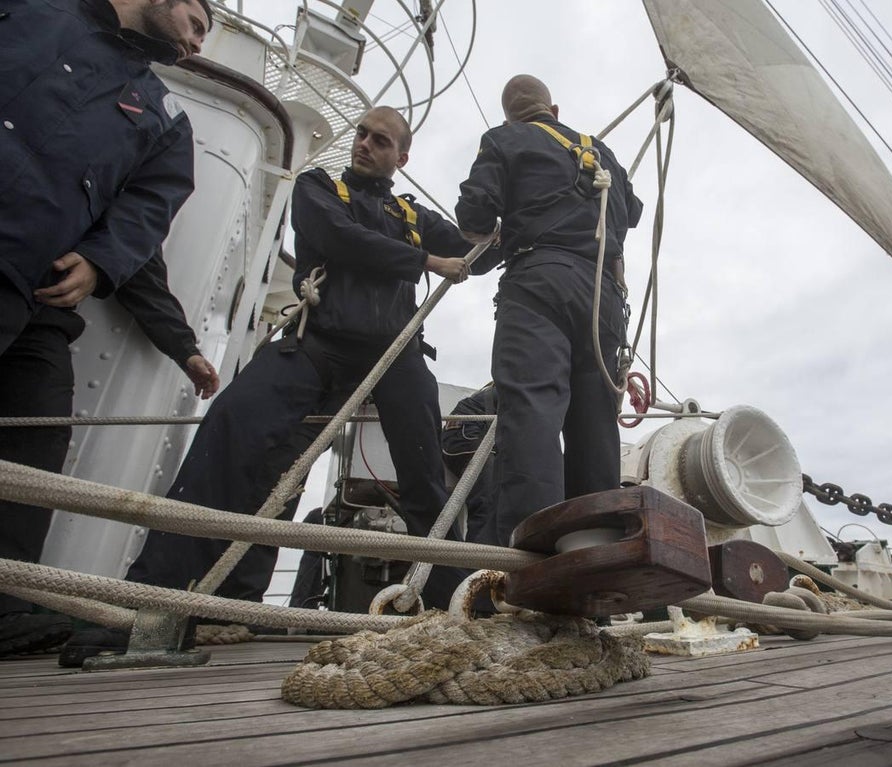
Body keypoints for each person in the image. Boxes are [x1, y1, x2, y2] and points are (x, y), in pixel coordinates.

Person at [61, 106, 473, 665]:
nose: (364, 144)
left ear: (401, 157)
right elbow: (338, 237)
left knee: (425, 479)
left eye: (380, 141)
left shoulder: (413, 214)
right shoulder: (319, 187)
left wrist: (497, 199)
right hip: (318, 340)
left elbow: (476, 247)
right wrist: (426, 259)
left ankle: (461, 614)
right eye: (362, 134)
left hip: (395, 351)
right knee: (233, 431)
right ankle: (156, 603)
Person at [0, 0, 212, 657]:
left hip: (32, 289)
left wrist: (100, 260)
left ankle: (6, 600)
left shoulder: (162, 117)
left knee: (37, 428)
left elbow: (147, 210)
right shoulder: (33, 11)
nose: (199, 43)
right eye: (198, 22)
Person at [455, 75, 643, 546]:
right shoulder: (602, 152)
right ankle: (593, 548)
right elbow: (633, 211)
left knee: (533, 412)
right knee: (596, 426)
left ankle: (529, 554)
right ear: (553, 110)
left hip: (539, 284)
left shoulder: (504, 139)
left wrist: (500, 227)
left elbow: (473, 217)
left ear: (509, 117)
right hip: (604, 302)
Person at [441, 383, 498, 545]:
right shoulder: (523, 390)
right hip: (467, 432)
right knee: (487, 500)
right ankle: (478, 555)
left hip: (471, 431)